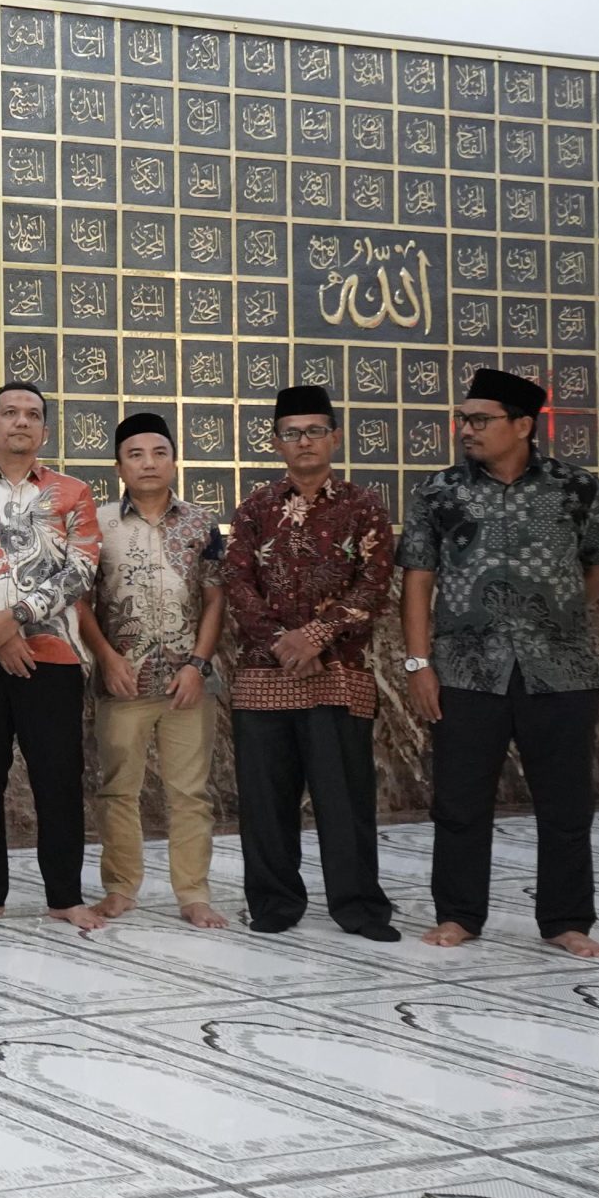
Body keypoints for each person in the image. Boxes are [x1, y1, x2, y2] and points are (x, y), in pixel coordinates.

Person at [400, 368, 599, 958]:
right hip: (466, 671)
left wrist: (554, 611)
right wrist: (419, 663)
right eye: (463, 419)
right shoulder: (440, 491)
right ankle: (459, 915)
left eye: (480, 419)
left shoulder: (575, 488)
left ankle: (566, 920)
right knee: (459, 802)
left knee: (566, 803)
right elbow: (418, 579)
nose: (466, 430)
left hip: (562, 671)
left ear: (523, 425)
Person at [223, 384, 398, 941]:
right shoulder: (254, 508)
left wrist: (316, 637)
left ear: (334, 438)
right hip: (264, 676)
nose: (304, 441)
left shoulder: (364, 506)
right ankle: (274, 903)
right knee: (265, 804)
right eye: (292, 433)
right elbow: (237, 583)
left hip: (337, 676)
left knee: (345, 802)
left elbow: (374, 586)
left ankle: (359, 907)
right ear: (277, 442)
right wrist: (285, 643)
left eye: (315, 431)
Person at [0, 383, 104, 927]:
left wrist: (19, 616)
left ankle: (65, 896)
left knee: (58, 777)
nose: (21, 421)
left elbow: (81, 570)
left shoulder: (73, 493)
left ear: (44, 431)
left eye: (32, 414)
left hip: (52, 657)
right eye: (10, 413)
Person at [75, 412, 228, 929]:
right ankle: (120, 889)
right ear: (119, 466)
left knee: (191, 793)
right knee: (118, 789)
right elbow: (80, 600)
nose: (148, 463)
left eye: (159, 453)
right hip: (124, 680)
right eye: (135, 454)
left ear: (174, 461)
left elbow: (215, 599)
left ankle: (194, 894)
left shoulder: (201, 523)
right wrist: (106, 657)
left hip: (189, 683)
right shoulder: (97, 523)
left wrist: (198, 665)